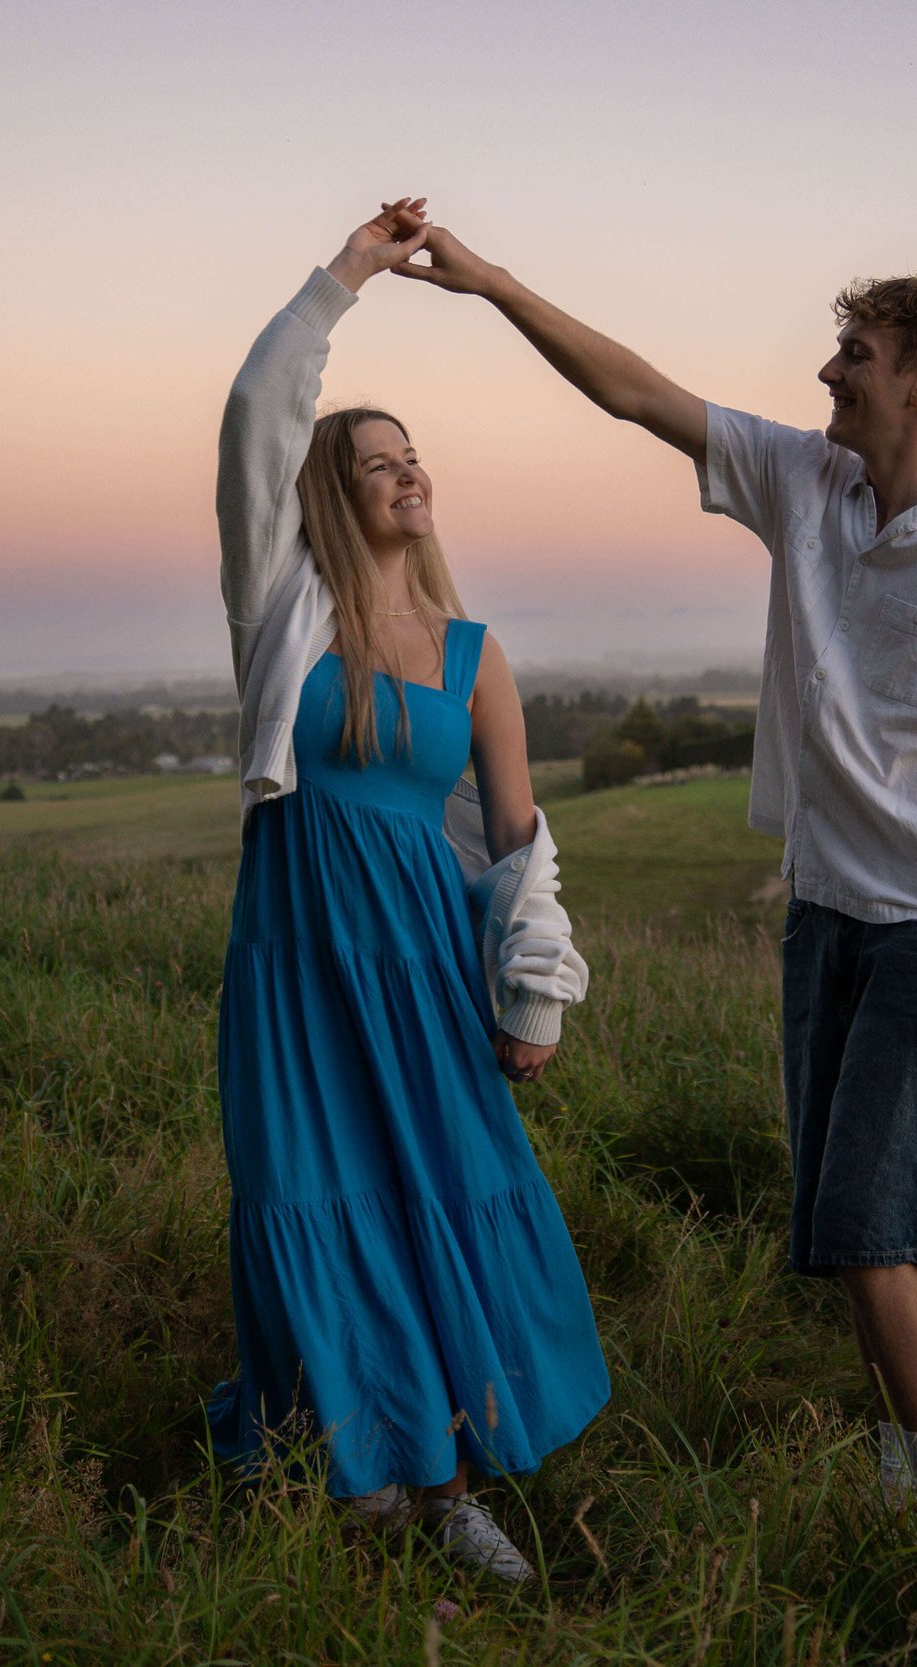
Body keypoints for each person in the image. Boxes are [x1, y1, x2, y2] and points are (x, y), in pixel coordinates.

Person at [395, 219, 917, 1523]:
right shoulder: (803, 483)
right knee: (848, 1240)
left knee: (875, 1238)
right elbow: (636, 392)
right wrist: (491, 284)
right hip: (821, 920)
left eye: (857, 352)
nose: (829, 371)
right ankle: (907, 1476)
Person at [206, 199, 609, 1580]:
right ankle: (366, 1464)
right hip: (298, 959)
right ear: (332, 493)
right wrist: (346, 279)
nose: (405, 475)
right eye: (377, 463)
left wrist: (535, 998)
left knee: (437, 1192)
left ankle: (447, 1486)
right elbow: (259, 417)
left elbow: (517, 840)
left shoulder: (476, 652)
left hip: (426, 968)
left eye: (415, 458)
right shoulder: (283, 610)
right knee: (313, 1191)